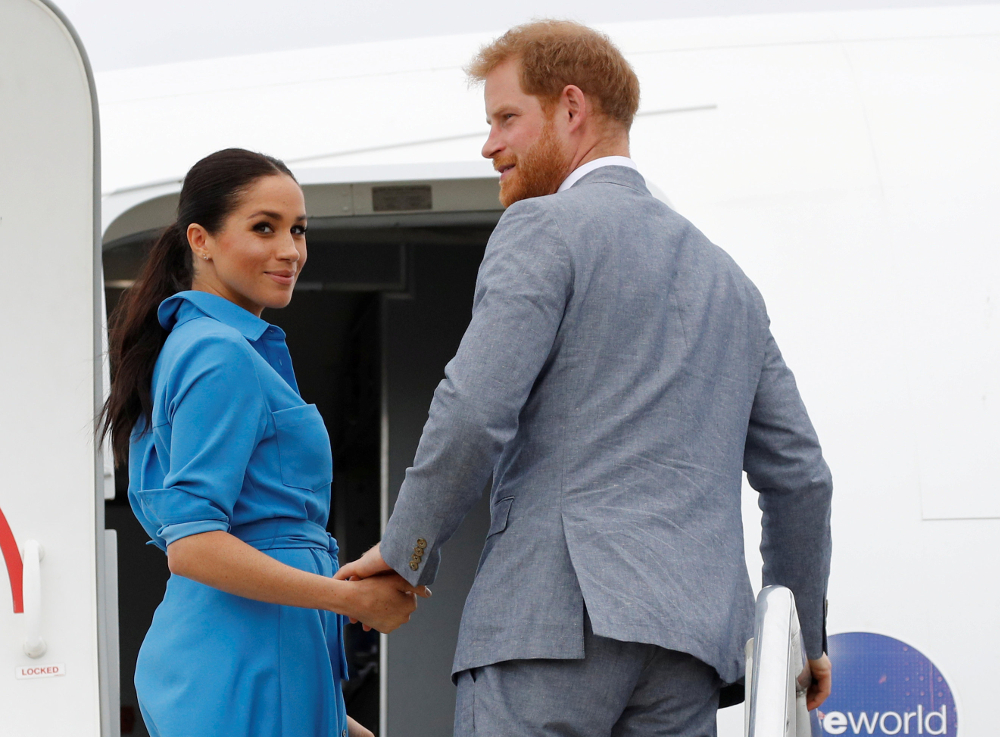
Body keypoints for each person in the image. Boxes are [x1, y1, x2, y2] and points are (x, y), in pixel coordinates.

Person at [337, 19, 833, 737]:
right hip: (687, 653)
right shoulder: (732, 285)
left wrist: (408, 547)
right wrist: (803, 636)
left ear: (572, 109)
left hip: (552, 624)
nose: (489, 145)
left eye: (507, 118)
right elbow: (802, 478)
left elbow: (475, 409)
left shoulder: (544, 228)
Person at [100, 148, 428, 737]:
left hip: (251, 659)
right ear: (200, 240)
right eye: (264, 228)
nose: (290, 251)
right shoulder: (217, 353)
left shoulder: (202, 345)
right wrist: (347, 600)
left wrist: (335, 718)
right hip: (244, 660)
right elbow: (194, 546)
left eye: (298, 230)